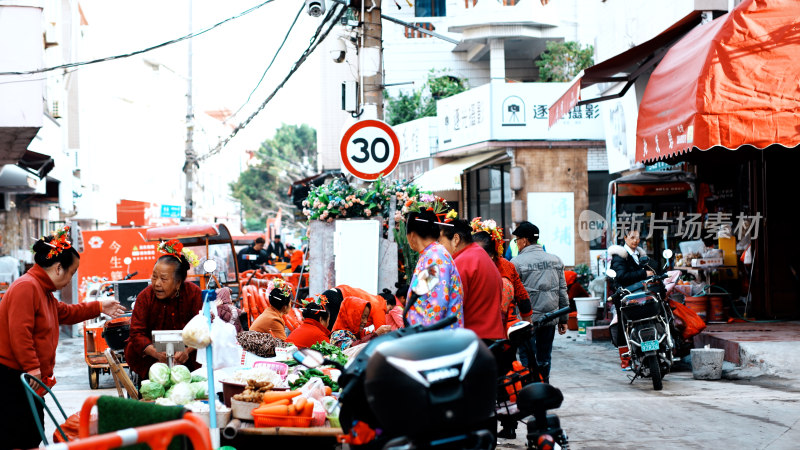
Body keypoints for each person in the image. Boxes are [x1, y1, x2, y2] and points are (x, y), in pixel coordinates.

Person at [0, 226, 125, 449]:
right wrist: (33, 370)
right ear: (59, 268)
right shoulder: (26, 287)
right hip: (14, 378)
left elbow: (66, 313)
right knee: (19, 437)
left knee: (30, 434)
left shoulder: (42, 290)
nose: (70, 279)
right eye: (71, 273)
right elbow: (20, 333)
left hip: (29, 377)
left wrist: (99, 306)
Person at [126, 239, 203, 380]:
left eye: (164, 279)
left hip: (188, 360)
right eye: (154, 277)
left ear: (178, 283)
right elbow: (136, 333)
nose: (157, 284)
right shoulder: (145, 297)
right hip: (151, 362)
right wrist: (155, 353)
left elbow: (203, 327)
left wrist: (187, 350)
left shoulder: (193, 293)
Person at [511, 221, 569, 383]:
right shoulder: (555, 260)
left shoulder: (516, 263)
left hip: (526, 321)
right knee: (545, 356)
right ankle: (544, 387)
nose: (517, 244)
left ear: (524, 240)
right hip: (550, 317)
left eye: (517, 240)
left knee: (526, 356)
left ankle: (530, 388)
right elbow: (562, 291)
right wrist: (563, 319)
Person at [439, 219, 504, 341]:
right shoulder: (479, 254)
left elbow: (453, 306)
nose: (440, 248)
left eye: (441, 243)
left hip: (475, 339)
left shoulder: (461, 263)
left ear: (456, 239)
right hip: (492, 336)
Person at [403, 210, 464, 329]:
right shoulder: (432, 254)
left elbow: (438, 304)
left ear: (412, 235)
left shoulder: (435, 256)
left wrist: (423, 334)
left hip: (436, 339)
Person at [608, 229, 653, 369]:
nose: (635, 240)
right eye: (632, 237)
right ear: (625, 238)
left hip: (640, 294)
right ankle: (625, 361)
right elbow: (622, 277)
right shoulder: (619, 257)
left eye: (638, 238)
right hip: (624, 296)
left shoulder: (640, 254)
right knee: (623, 326)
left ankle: (649, 354)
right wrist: (643, 273)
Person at [472, 229, 534, 330]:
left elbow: (522, 296)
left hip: (506, 325)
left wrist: (527, 321)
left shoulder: (507, 266)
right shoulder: (470, 266)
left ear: (491, 255)